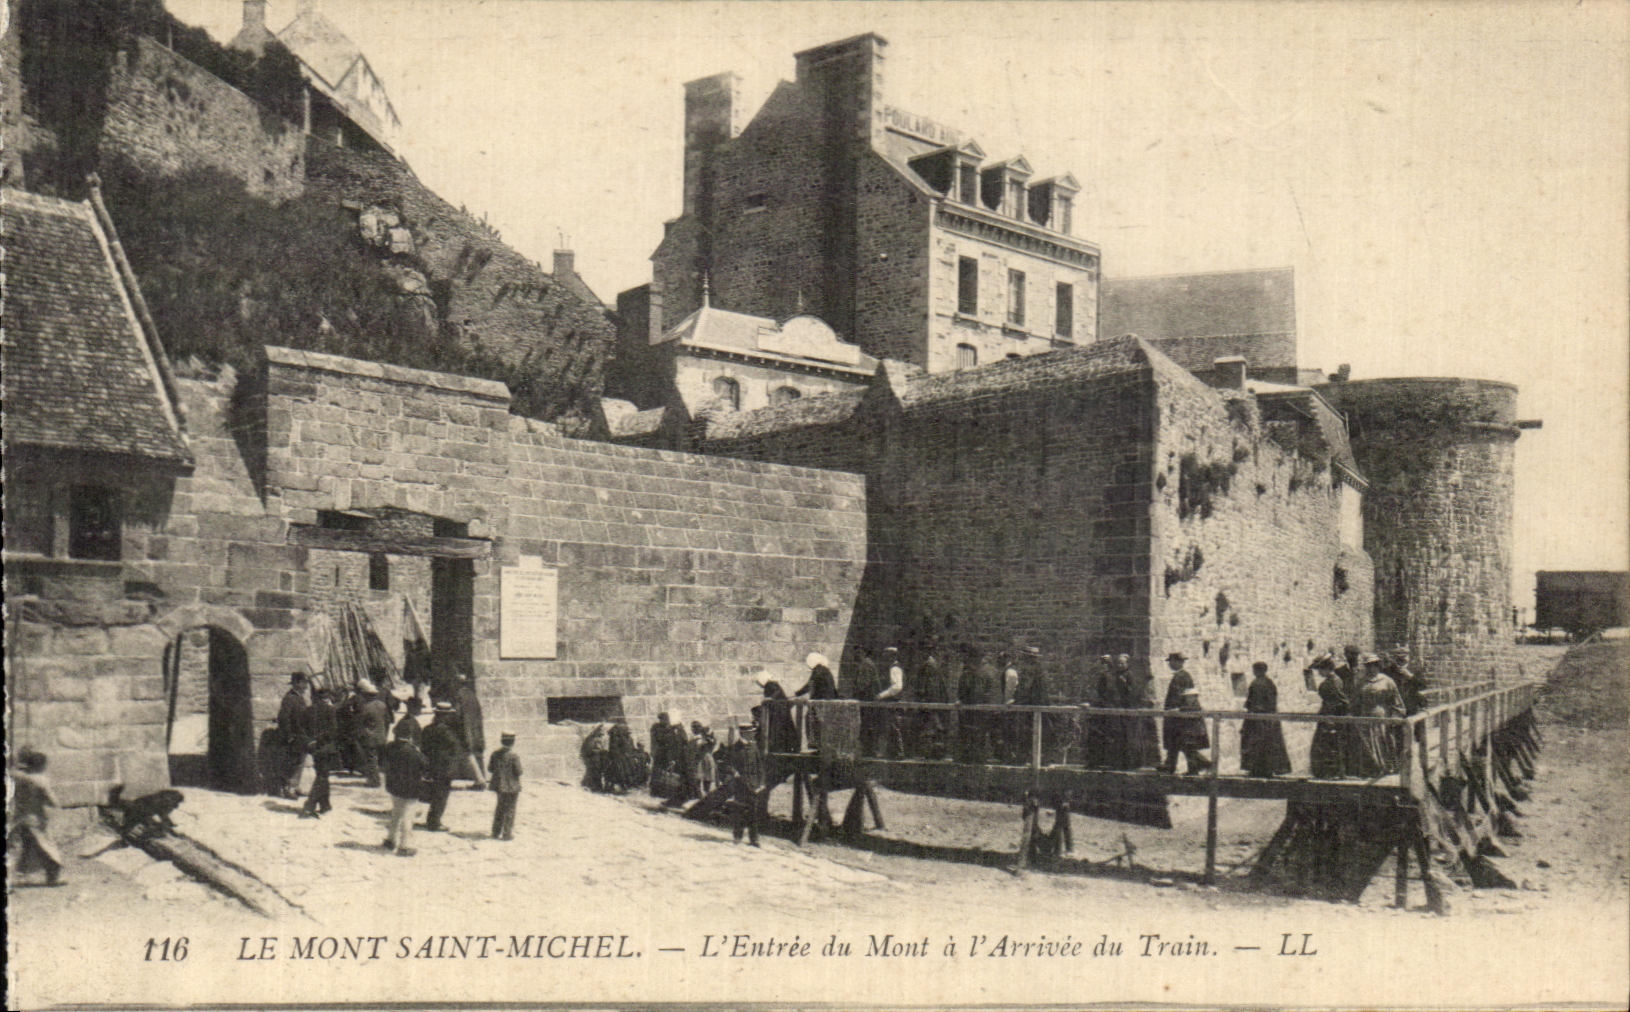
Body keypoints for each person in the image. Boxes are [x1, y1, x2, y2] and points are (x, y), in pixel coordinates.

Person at [8, 749, 64, 886]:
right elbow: (52, 801)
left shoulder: (18, 778)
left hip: (19, 818)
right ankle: (52, 878)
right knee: (48, 849)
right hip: (36, 819)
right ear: (41, 765)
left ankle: (11, 877)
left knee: (16, 849)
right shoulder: (40, 781)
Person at [1353, 653, 1405, 777]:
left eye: (1374, 665)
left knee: (1383, 740)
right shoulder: (1361, 682)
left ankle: (1386, 767)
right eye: (1369, 666)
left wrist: (1396, 716)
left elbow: (1396, 701)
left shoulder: (1387, 681)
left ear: (1378, 666)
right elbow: (1355, 700)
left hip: (1382, 715)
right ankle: (1371, 769)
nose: (1372, 669)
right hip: (1365, 716)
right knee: (1367, 742)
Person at [1160, 652, 1212, 774]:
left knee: (1185, 743)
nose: (1170, 664)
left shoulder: (1183, 676)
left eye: (1172, 661)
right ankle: (1170, 765)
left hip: (1181, 717)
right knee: (1175, 741)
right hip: (1175, 716)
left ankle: (1199, 764)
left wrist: (1180, 709)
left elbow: (1190, 697)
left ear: (1178, 662)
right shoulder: (1179, 676)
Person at [1240, 662, 1293, 777]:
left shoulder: (1255, 684)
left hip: (1257, 719)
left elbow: (1251, 702)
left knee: (1255, 743)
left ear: (1256, 671)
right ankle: (1269, 768)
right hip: (1270, 718)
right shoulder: (1270, 683)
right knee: (1270, 743)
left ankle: (1256, 769)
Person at [382, 723, 427, 856]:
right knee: (408, 816)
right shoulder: (413, 751)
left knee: (396, 813)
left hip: (393, 786)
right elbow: (424, 764)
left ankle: (390, 839)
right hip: (410, 788)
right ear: (410, 736)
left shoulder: (389, 747)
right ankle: (405, 845)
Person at [420, 700, 463, 831]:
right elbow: (456, 749)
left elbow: (423, 748)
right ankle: (434, 823)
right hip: (444, 768)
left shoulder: (427, 729)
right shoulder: (447, 732)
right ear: (446, 716)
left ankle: (431, 820)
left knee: (435, 794)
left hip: (431, 766)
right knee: (441, 796)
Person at [1307, 652, 1349, 779]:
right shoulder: (1329, 681)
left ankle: (1332, 773)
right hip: (1325, 717)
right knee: (1322, 746)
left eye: (1320, 670)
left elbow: (1343, 702)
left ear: (1327, 668)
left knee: (1330, 747)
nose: (1319, 673)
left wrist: (1334, 719)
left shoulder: (1335, 682)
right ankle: (1324, 773)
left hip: (1331, 719)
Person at [1118, 654, 1164, 770]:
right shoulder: (1129, 677)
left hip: (1142, 712)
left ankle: (1148, 762)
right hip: (1133, 710)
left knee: (1145, 738)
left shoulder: (1135, 677)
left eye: (1123, 663)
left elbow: (1137, 693)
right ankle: (1133, 762)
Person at [956, 644, 1000, 763]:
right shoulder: (992, 670)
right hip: (990, 710)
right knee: (984, 736)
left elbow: (976, 693)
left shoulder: (978, 673)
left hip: (979, 712)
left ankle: (976, 758)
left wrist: (963, 700)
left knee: (976, 736)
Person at [724, 725, 765, 846]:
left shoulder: (754, 747)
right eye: (751, 733)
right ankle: (738, 836)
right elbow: (726, 764)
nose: (753, 734)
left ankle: (754, 839)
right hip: (740, 785)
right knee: (739, 811)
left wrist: (761, 782)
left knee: (753, 812)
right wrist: (734, 772)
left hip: (753, 785)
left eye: (753, 732)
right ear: (743, 733)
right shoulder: (735, 748)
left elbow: (759, 766)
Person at [301, 686, 339, 818]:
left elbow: (303, 729)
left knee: (322, 774)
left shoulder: (308, 710)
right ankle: (309, 805)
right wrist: (320, 740)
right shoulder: (330, 710)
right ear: (326, 697)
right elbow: (333, 730)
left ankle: (325, 804)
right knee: (322, 777)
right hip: (326, 747)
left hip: (314, 748)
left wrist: (311, 742)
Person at [277, 672, 312, 799]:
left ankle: (295, 786)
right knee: (292, 763)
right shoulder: (290, 698)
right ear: (297, 683)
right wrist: (289, 736)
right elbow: (283, 718)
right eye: (304, 683)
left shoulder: (299, 698)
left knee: (299, 762)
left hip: (301, 736)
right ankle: (287, 789)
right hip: (294, 737)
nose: (306, 686)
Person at [795, 652, 838, 751]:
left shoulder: (817, 671)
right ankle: (821, 745)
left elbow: (809, 685)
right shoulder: (826, 671)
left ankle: (815, 745)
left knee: (812, 721)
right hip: (828, 702)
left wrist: (797, 693)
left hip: (819, 703)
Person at [454, 670, 488, 790]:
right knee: (477, 753)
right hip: (476, 728)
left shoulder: (459, 695)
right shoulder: (472, 695)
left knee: (468, 753)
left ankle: (480, 780)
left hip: (466, 729)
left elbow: (458, 715)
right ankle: (482, 777)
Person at [355, 680, 391, 788]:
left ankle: (374, 781)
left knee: (371, 759)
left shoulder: (365, 707)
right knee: (378, 759)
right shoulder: (382, 705)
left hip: (370, 736)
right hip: (381, 735)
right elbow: (387, 719)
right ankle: (377, 779)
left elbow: (360, 722)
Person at [754, 671, 799, 755]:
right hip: (782, 712)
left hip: (778, 713)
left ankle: (778, 750)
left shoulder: (770, 685)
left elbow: (775, 695)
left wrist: (770, 699)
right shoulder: (773, 684)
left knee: (778, 733)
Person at [488, 731, 522, 841]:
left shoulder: (495, 754)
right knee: (510, 810)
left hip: (499, 786)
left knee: (500, 808)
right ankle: (507, 834)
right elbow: (519, 771)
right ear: (513, 742)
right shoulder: (514, 756)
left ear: (501, 740)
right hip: (512, 786)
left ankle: (495, 832)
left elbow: (490, 769)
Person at [877, 647, 906, 758]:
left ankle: (898, 752)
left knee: (894, 726)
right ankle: (893, 752)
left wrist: (882, 695)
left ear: (893, 656)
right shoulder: (893, 667)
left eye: (887, 656)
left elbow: (897, 686)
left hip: (893, 702)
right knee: (891, 726)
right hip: (892, 701)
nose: (885, 659)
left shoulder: (895, 668)